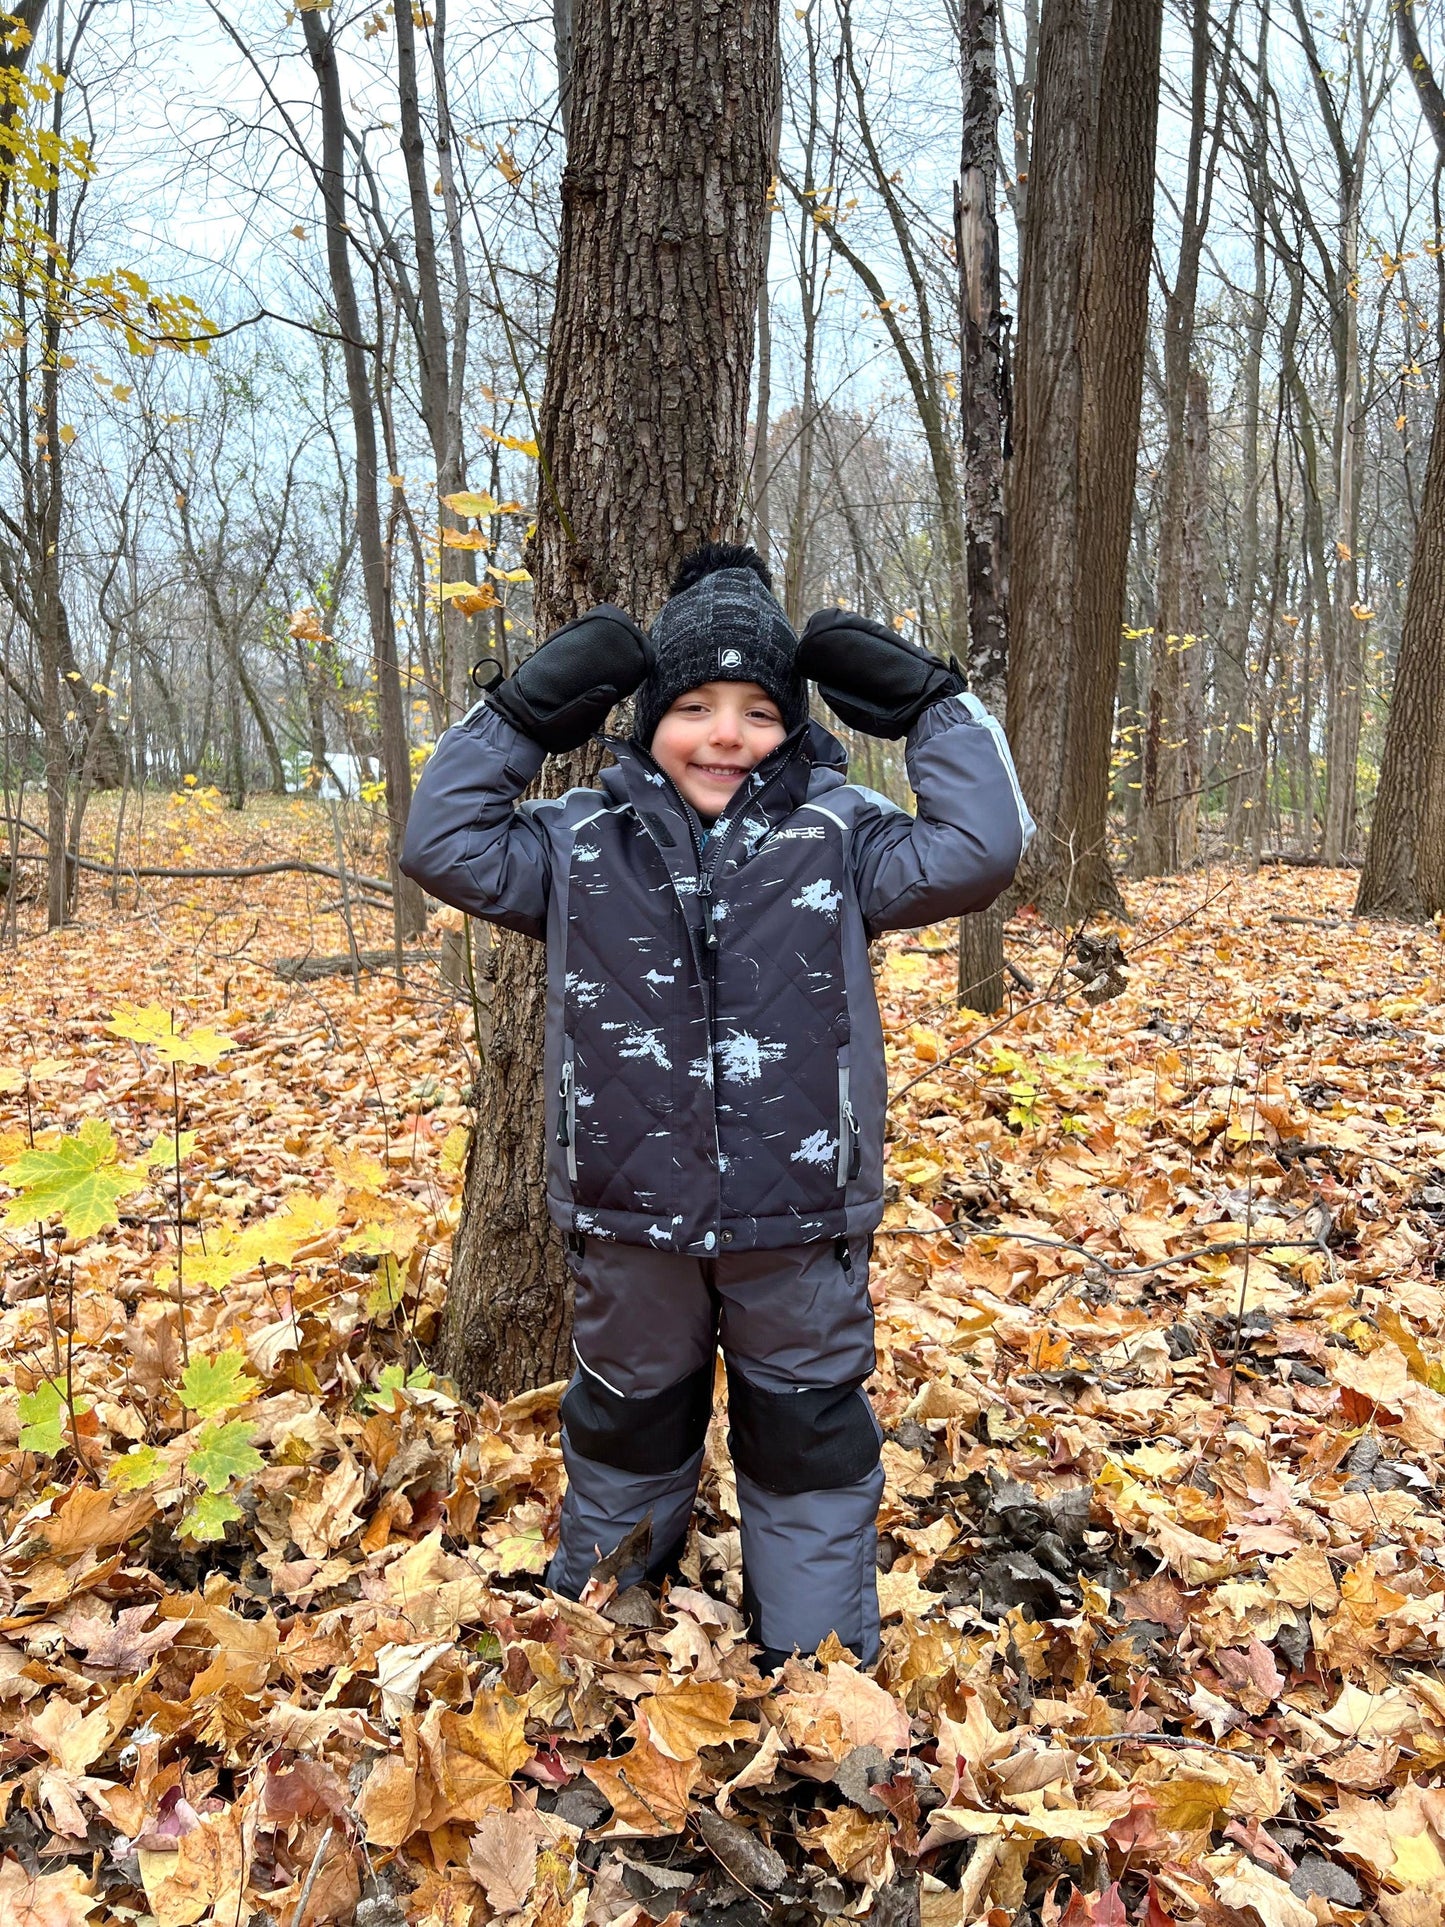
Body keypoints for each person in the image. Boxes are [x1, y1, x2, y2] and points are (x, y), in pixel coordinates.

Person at [400, 542, 1034, 1667]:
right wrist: (519, 713)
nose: (724, 734)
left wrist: (932, 705)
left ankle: (816, 1661)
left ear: (791, 726)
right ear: (647, 722)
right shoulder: (576, 843)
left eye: (755, 709)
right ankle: (605, 1628)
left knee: (805, 1434)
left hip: (798, 1220)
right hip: (628, 1214)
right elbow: (440, 840)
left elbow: (983, 846)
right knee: (626, 1419)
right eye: (691, 705)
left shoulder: (840, 837)